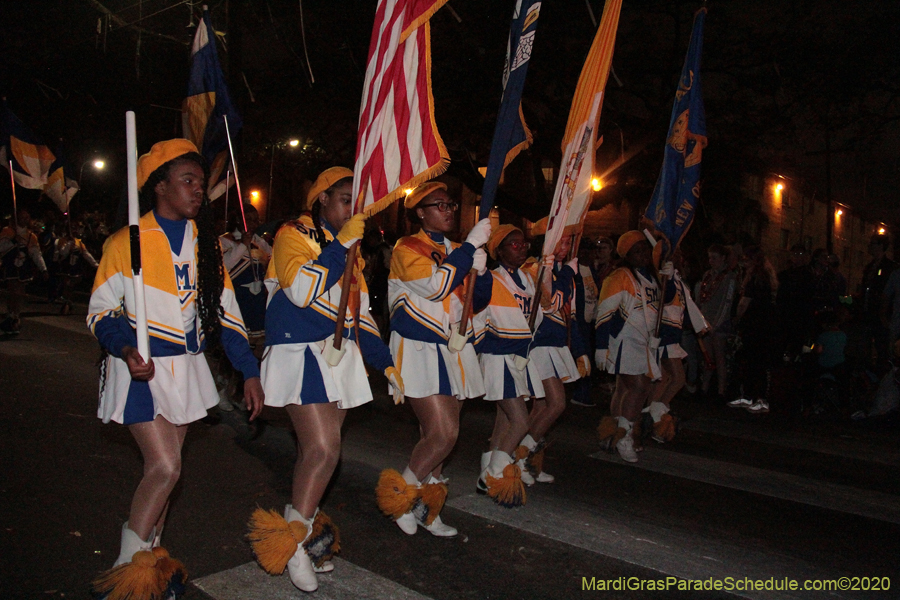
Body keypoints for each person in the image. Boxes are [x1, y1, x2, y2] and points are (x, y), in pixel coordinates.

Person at [87, 139, 264, 598]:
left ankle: (153, 566)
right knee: (164, 467)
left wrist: (248, 371)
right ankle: (126, 576)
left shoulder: (205, 246)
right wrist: (126, 349)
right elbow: (101, 312)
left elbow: (226, 315)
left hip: (186, 369)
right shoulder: (126, 242)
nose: (198, 190)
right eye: (187, 181)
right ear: (159, 185)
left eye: (201, 183)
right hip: (138, 370)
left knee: (167, 471)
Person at [247, 167, 404, 593]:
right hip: (301, 354)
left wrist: (385, 363)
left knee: (319, 455)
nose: (352, 208)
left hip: (340, 358)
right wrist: (342, 246)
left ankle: (306, 530)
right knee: (322, 448)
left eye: (357, 201)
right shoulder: (292, 235)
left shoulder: (351, 249)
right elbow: (301, 290)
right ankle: (292, 541)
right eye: (343, 198)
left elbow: (359, 314)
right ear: (321, 199)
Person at [376, 181, 492, 538]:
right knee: (444, 433)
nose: (447, 210)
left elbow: (477, 301)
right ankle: (401, 496)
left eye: (450, 204)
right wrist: (469, 249)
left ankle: (428, 508)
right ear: (421, 213)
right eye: (438, 205)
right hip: (417, 348)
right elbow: (436, 286)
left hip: (451, 350)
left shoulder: (459, 248)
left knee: (437, 436)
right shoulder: (406, 247)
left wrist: (482, 271)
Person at [473, 225, 543, 506]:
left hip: (518, 358)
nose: (522, 247)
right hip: (497, 357)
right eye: (513, 245)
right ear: (498, 251)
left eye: (523, 243)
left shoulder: (529, 279)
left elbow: (542, 312)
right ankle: (492, 475)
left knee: (504, 421)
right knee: (520, 420)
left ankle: (487, 470)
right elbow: (478, 318)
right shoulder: (491, 279)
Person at [520, 232, 588, 479]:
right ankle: (520, 454)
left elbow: (571, 316)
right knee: (557, 403)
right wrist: (569, 273)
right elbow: (552, 303)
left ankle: (525, 462)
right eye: (562, 241)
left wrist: (579, 350)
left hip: (557, 345)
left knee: (540, 408)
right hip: (539, 345)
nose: (566, 247)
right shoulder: (533, 268)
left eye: (569, 242)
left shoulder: (560, 270)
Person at [595, 231, 660, 463]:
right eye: (637, 251)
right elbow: (604, 312)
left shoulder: (652, 277)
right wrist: (601, 345)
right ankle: (625, 437)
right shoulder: (620, 276)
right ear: (627, 255)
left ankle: (612, 433)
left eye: (645, 249)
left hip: (643, 341)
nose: (643, 254)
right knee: (639, 387)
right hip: (624, 339)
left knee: (624, 389)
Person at [216, 204, 272, 411]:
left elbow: (273, 257)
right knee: (234, 347)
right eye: (250, 219)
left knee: (253, 351)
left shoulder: (257, 242)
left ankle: (241, 392)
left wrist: (260, 244)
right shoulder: (224, 241)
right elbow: (224, 267)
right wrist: (242, 246)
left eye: (256, 219)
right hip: (236, 304)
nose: (254, 223)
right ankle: (223, 389)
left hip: (256, 304)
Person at [727, 245, 778, 413]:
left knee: (752, 361)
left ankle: (755, 396)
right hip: (764, 324)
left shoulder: (755, 278)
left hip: (754, 324)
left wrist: (736, 318)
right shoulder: (766, 277)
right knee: (756, 362)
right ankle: (754, 396)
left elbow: (744, 302)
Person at [694, 244, 737, 401]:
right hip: (706, 321)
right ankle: (704, 388)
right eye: (710, 257)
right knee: (708, 357)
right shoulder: (707, 275)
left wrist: (716, 324)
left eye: (714, 258)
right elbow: (702, 300)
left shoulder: (729, 277)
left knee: (719, 357)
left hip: (719, 323)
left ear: (723, 259)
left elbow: (727, 302)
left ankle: (721, 390)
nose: (711, 261)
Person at [0, 209, 49, 333]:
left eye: (27, 218)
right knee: (13, 291)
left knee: (20, 292)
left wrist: (43, 269)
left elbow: (36, 254)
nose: (25, 220)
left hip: (23, 267)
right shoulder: (7, 231)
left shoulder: (31, 236)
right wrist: (12, 240)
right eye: (23, 217)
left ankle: (15, 315)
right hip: (11, 265)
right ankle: (11, 314)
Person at [862, 234, 897, 375]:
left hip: (882, 316)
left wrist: (885, 314)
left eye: (873, 243)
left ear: (881, 246)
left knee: (882, 347)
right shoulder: (870, 267)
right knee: (866, 347)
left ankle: (882, 375)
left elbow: (889, 293)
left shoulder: (890, 267)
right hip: (869, 313)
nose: (870, 246)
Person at [571, 239, 600, 407]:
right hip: (579, 321)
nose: (588, 255)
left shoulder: (591, 271)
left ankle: (583, 392)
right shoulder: (575, 272)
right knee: (583, 356)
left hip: (589, 322)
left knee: (588, 357)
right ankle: (581, 394)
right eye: (585, 251)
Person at [54, 218, 99, 315]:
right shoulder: (60, 241)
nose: (74, 230)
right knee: (66, 284)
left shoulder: (79, 242)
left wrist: (96, 265)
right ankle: (65, 301)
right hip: (65, 267)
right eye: (72, 228)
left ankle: (68, 301)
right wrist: (68, 246)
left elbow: (86, 255)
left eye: (75, 228)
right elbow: (62, 253)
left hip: (75, 267)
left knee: (72, 286)